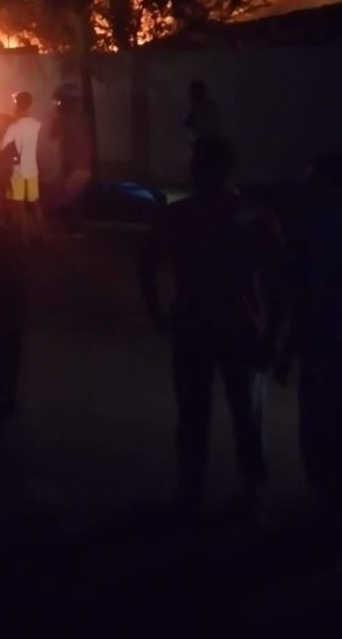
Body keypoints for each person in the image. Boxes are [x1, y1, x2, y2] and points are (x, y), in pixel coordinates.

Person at [139, 136, 283, 519]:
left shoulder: (180, 215)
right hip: (241, 325)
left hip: (192, 324)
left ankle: (191, 490)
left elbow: (146, 263)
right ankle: (253, 489)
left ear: (196, 168)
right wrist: (271, 334)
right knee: (246, 412)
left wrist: (157, 313)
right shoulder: (255, 215)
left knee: (192, 413)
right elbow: (279, 279)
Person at [276, 153, 342, 519]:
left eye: (313, 178)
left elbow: (307, 294)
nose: (307, 185)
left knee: (321, 421)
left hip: (325, 342)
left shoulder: (319, 230)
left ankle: (327, 498)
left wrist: (287, 347)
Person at [0, 91, 44, 243]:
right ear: (30, 105)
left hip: (18, 170)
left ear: (17, 105)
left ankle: (25, 238)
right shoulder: (37, 124)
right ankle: (44, 234)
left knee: (20, 205)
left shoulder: (14, 126)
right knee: (35, 202)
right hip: (32, 168)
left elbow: (2, 145)